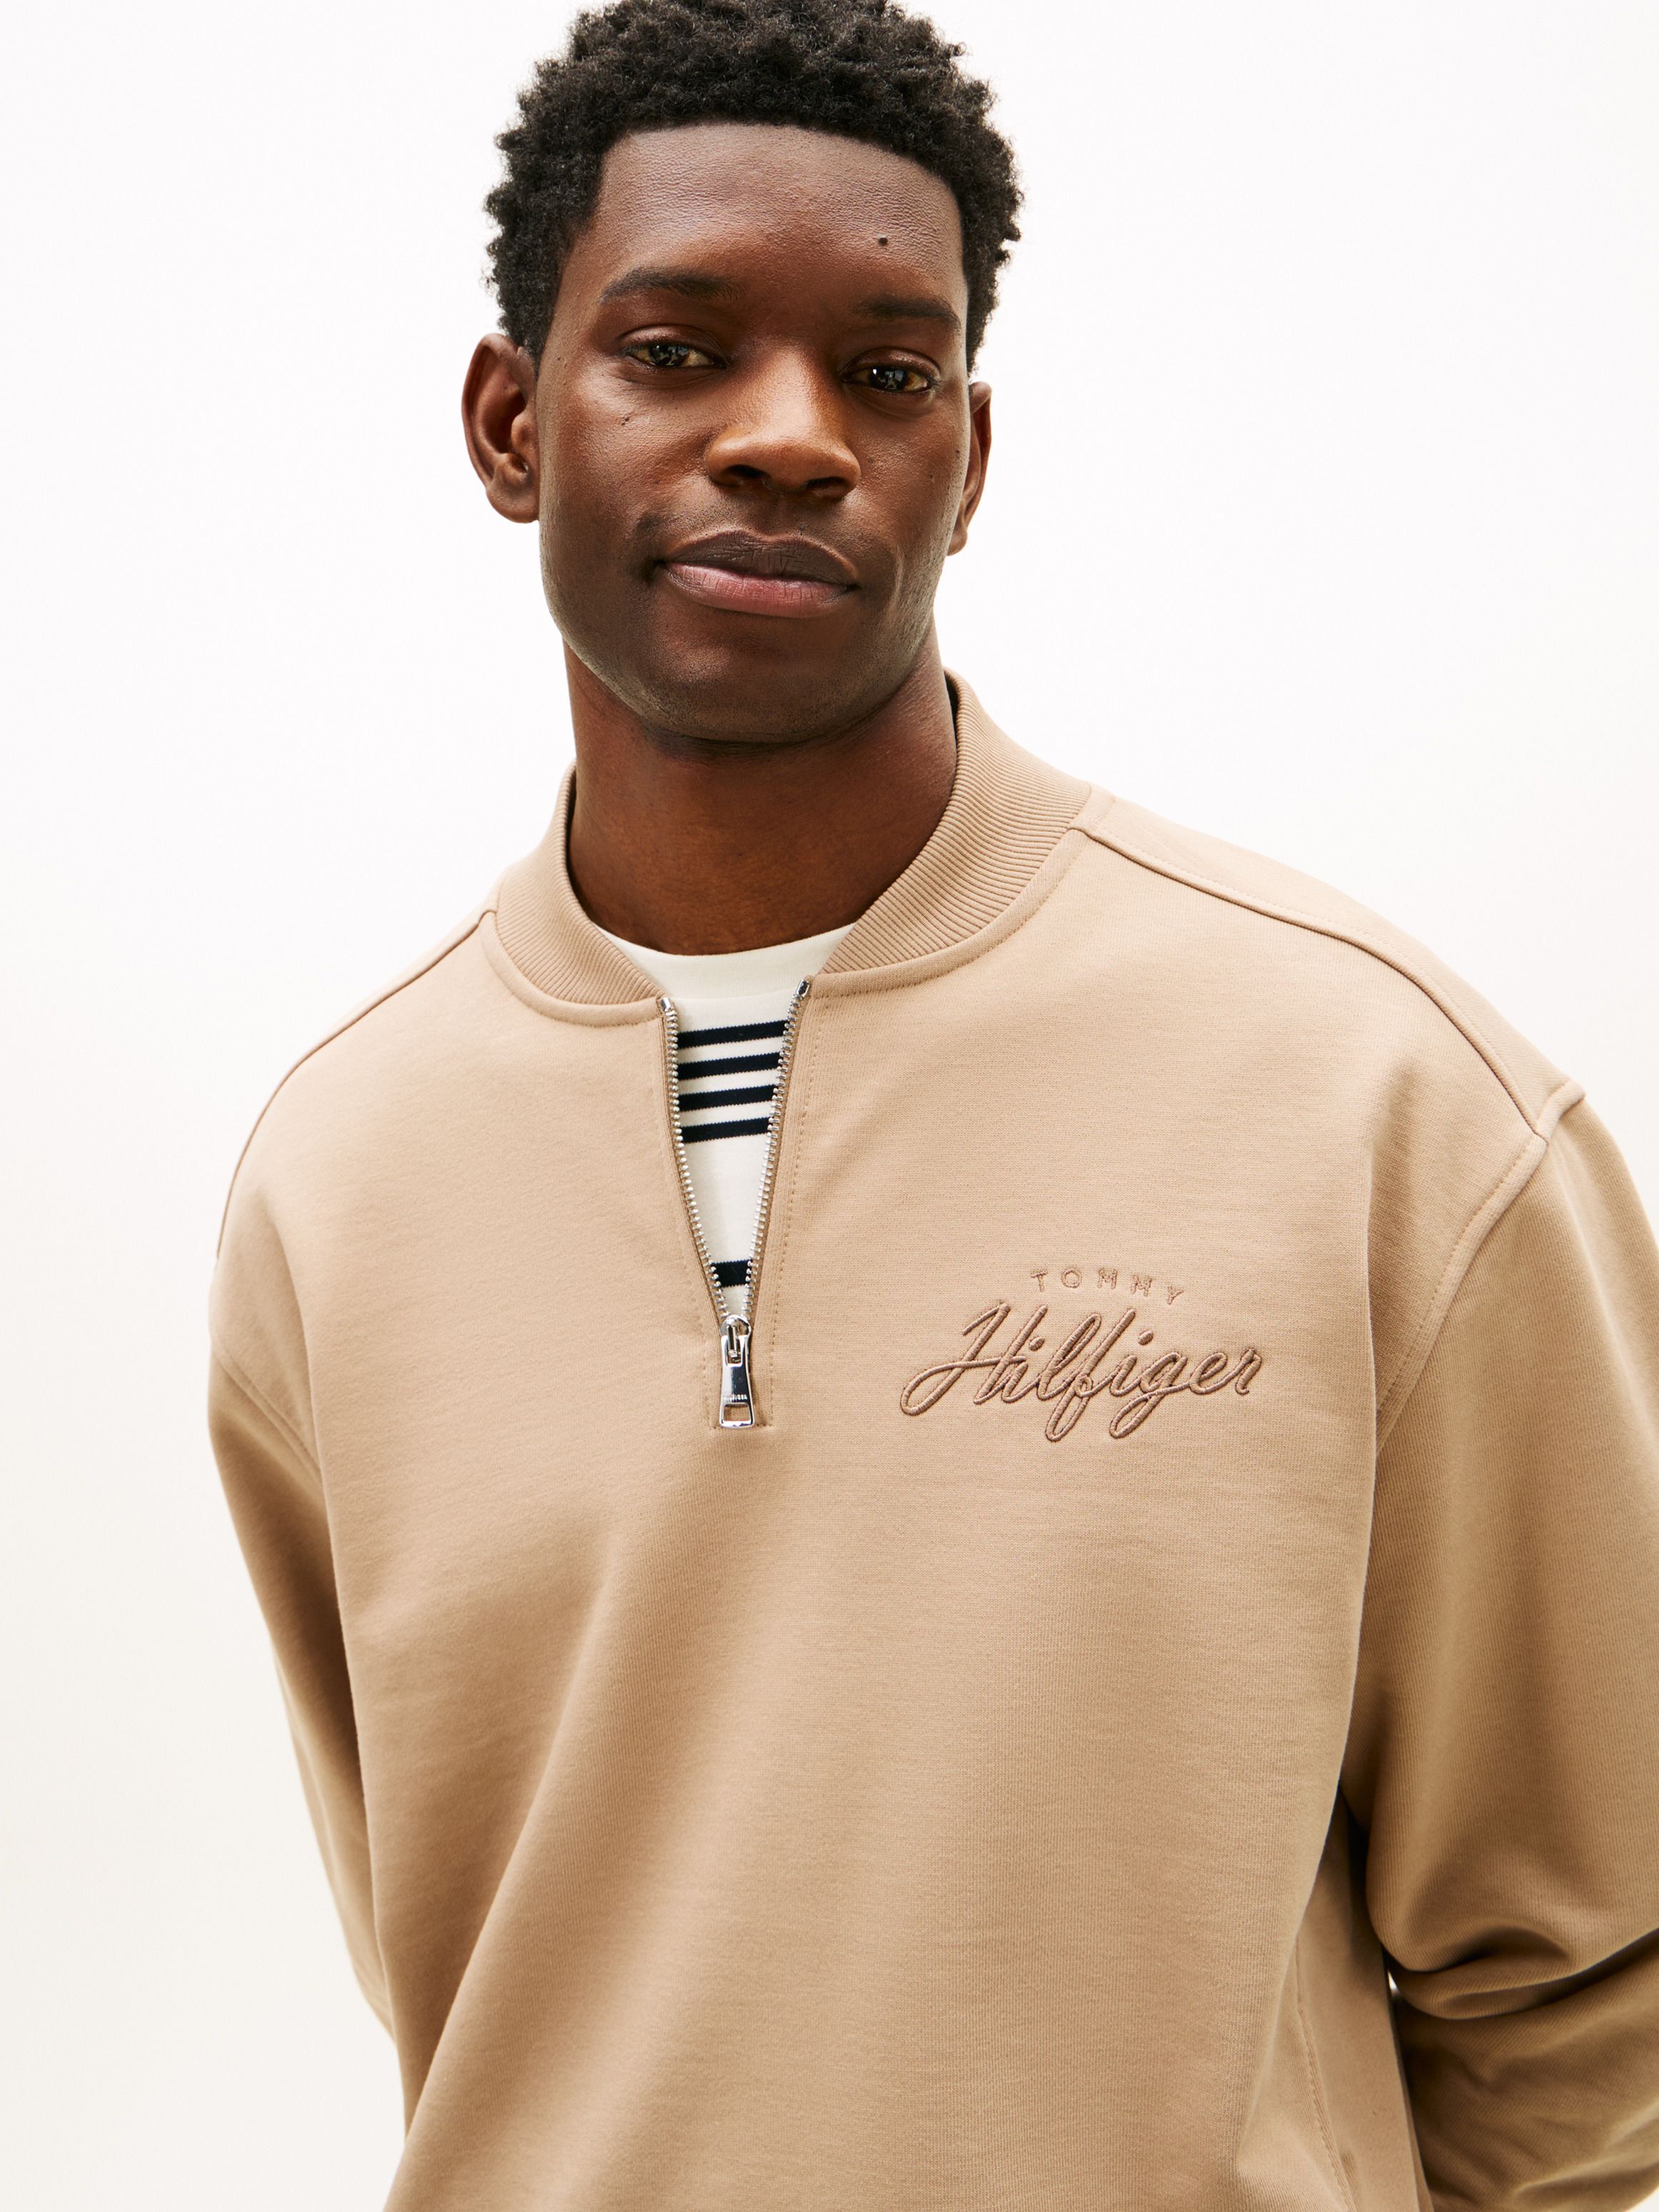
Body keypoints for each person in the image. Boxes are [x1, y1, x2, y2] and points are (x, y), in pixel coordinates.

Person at [207, 2, 1659, 2206]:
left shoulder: (1377, 1094)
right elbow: (469, 1961)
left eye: (887, 373)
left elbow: (1606, 1973)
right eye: (677, 350)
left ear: (967, 458)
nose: (792, 438)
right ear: (512, 420)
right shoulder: (340, 1175)